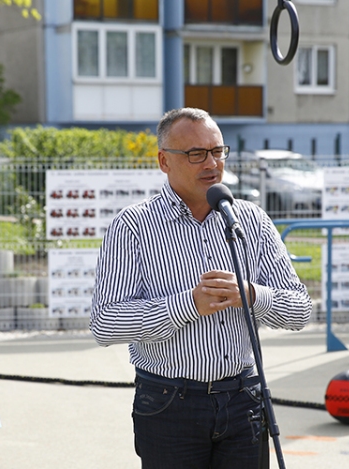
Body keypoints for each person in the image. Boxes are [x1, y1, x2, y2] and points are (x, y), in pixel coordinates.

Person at [90, 108, 312, 468]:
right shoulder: (132, 226)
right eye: (196, 154)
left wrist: (252, 295)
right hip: (168, 403)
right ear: (164, 161)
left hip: (244, 401)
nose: (211, 163)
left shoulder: (250, 220)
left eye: (217, 151)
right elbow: (106, 323)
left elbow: (300, 310)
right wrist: (188, 305)